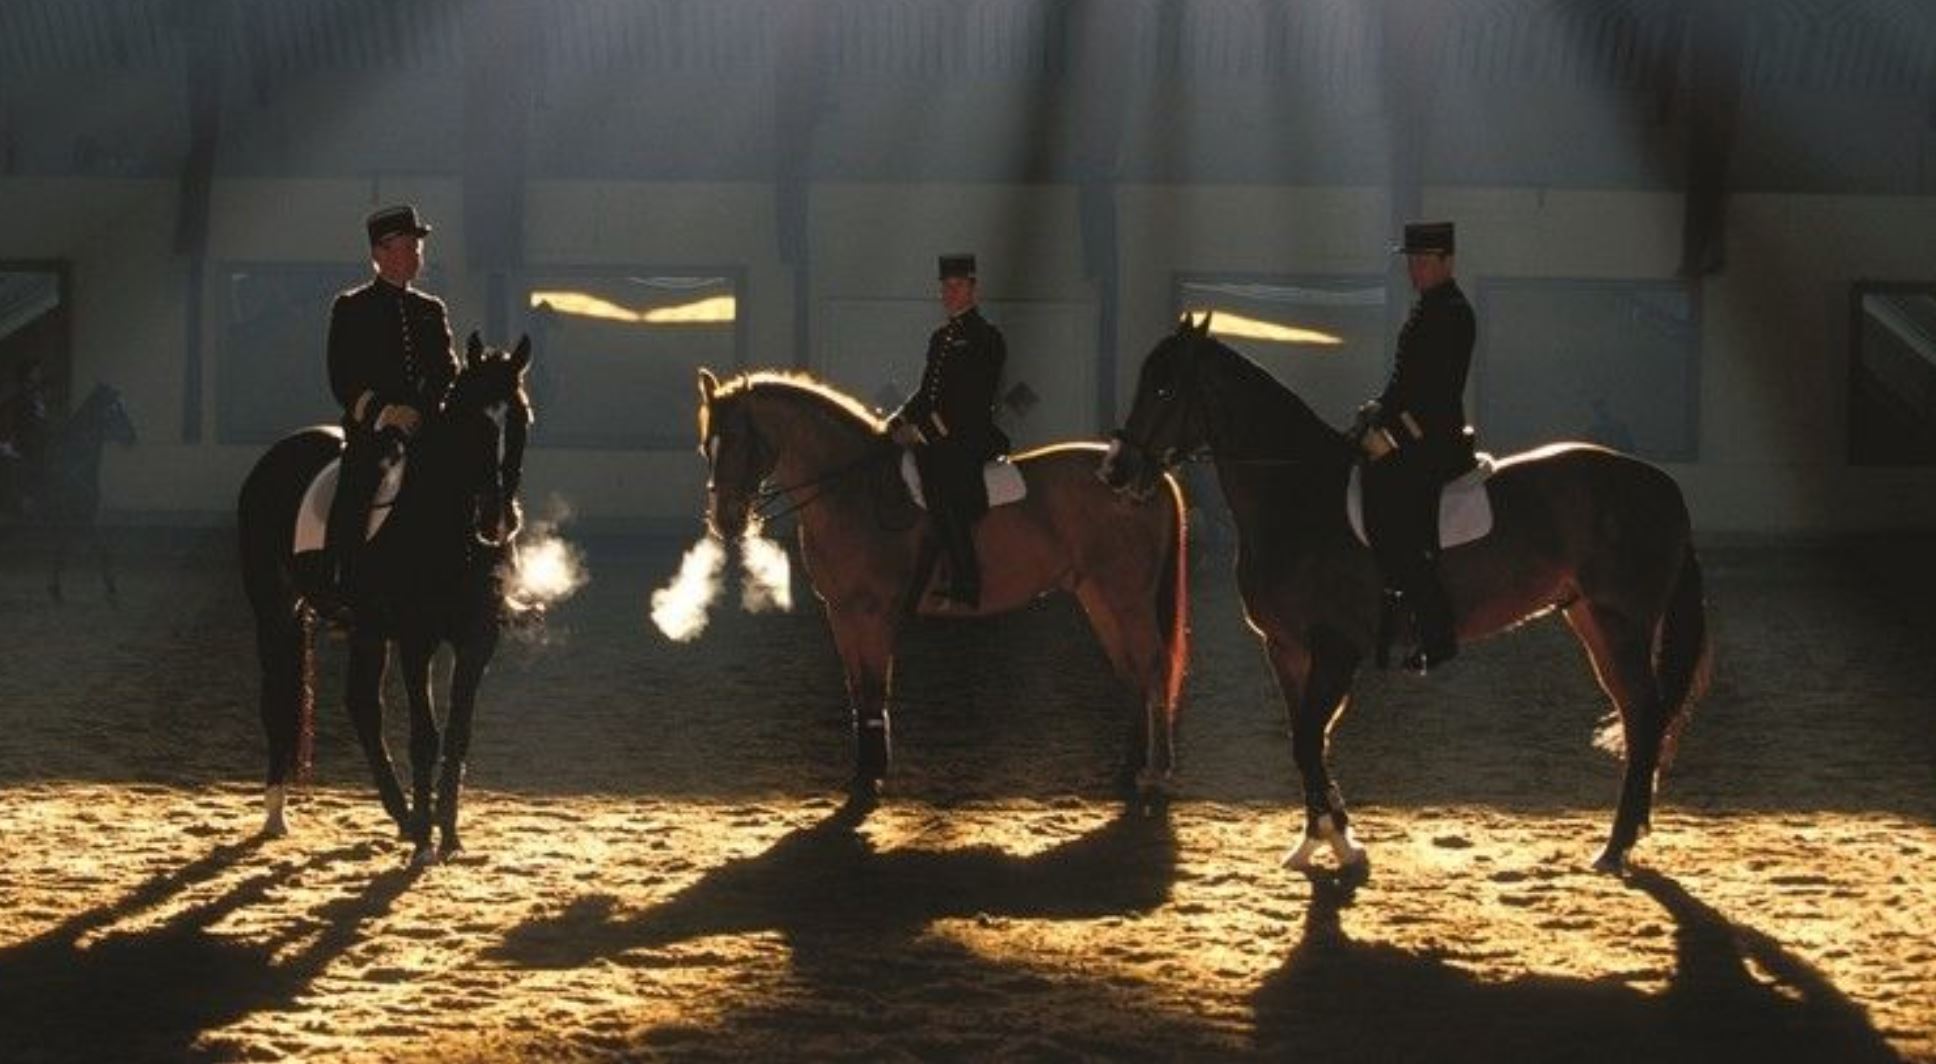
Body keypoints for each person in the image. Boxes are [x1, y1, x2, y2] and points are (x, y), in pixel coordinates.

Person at [320, 204, 459, 621]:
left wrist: (419, 409)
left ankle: (491, 580)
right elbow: (342, 377)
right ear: (379, 254)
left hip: (424, 425)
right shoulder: (351, 307)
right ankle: (341, 585)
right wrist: (386, 412)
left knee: (474, 477)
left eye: (417, 247)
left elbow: (445, 370)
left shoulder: (431, 310)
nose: (415, 255)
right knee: (357, 486)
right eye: (405, 247)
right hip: (374, 430)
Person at [1355, 220, 1477, 674]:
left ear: (1447, 261)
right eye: (1412, 262)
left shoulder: (1453, 313)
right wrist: (1376, 410)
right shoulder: (1427, 308)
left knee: (1393, 524)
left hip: (1433, 438)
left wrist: (1391, 437)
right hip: (1414, 427)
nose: (1415, 271)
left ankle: (1436, 632)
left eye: (1424, 262)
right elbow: (1403, 380)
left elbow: (1437, 396)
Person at [887, 253, 1010, 610]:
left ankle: (966, 580)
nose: (950, 293)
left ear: (973, 289)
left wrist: (921, 431)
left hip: (968, 435)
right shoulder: (940, 338)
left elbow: (970, 402)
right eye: (945, 287)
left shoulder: (985, 338)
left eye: (957, 286)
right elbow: (927, 393)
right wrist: (898, 420)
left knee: (941, 484)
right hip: (940, 431)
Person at [0, 358, 52, 516]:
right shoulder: (16, 401)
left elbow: (41, 425)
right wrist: (7, 445)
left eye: (39, 372)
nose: (39, 375)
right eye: (36, 372)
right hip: (19, 449)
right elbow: (8, 422)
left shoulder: (38, 398)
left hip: (35, 448)